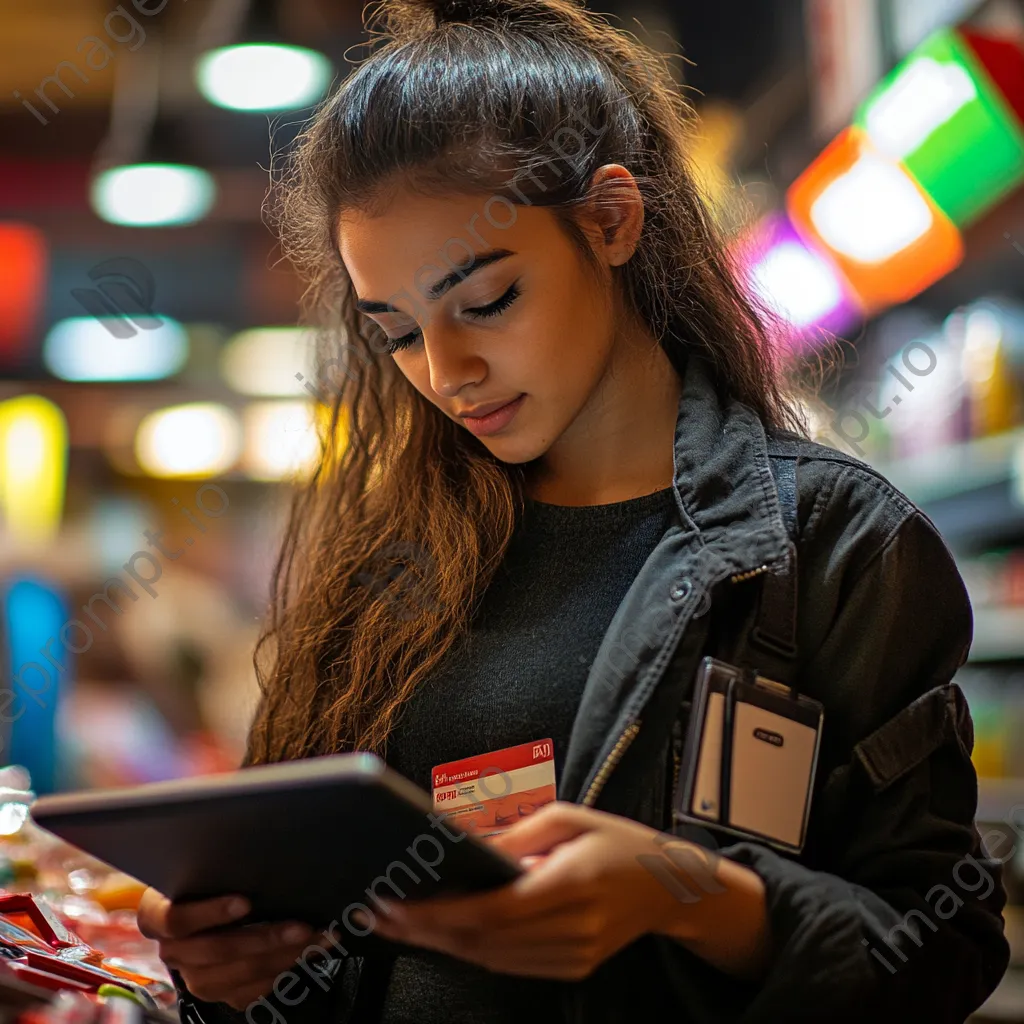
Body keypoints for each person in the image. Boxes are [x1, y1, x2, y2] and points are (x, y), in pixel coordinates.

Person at [136, 0, 1011, 1020]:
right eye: (398, 334)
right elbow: (325, 945)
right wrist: (227, 974)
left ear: (609, 220)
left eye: (487, 300)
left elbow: (942, 949)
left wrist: (690, 895)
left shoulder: (830, 544)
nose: (447, 371)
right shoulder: (390, 567)